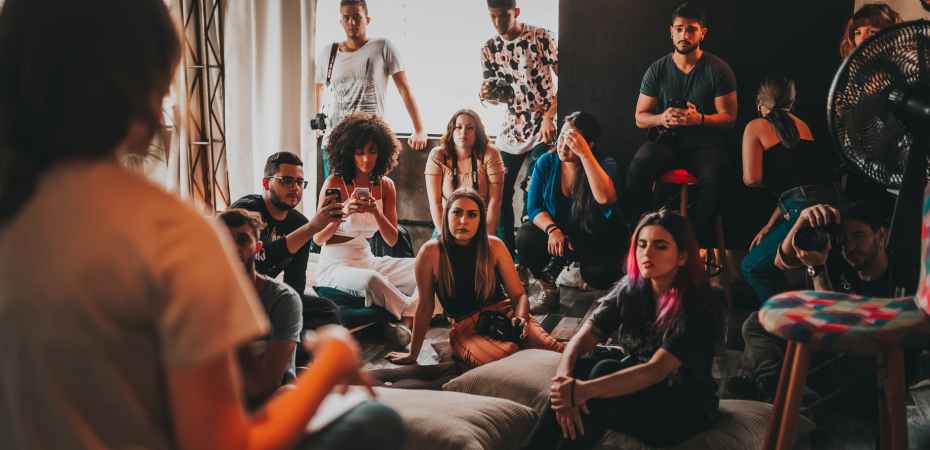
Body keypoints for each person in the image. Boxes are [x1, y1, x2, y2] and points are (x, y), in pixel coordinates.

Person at [0, 1, 405, 450]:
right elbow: (229, 443)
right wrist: (333, 360)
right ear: (146, 90)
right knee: (376, 420)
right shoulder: (171, 232)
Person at [523, 210, 723, 449]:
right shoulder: (632, 288)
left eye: (660, 246)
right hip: (641, 383)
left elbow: (656, 370)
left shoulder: (700, 302)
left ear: (681, 256)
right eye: (641, 244)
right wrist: (564, 383)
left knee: (601, 374)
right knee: (584, 365)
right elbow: (581, 339)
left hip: (683, 403)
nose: (646, 253)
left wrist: (583, 391)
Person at [731, 201, 893, 402]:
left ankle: (770, 389)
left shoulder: (897, 279)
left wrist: (817, 270)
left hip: (851, 357)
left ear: (881, 235)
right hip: (821, 339)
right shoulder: (842, 258)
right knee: (757, 323)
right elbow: (781, 261)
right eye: (844, 239)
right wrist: (801, 221)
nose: (850, 247)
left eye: (858, 236)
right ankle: (767, 384)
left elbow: (837, 329)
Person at [386, 189, 564, 368]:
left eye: (472, 215)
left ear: (480, 220)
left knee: (553, 349)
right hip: (466, 329)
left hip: (504, 314)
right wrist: (413, 353)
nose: (463, 221)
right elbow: (425, 307)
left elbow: (519, 296)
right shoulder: (430, 252)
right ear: (446, 215)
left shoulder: (494, 246)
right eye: (457, 212)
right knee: (508, 356)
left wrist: (521, 319)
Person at [624, 2, 737, 245]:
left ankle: (691, 247)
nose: (684, 35)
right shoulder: (657, 69)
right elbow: (640, 117)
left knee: (715, 177)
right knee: (639, 166)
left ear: (702, 33)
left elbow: (729, 118)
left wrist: (701, 119)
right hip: (667, 141)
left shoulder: (718, 69)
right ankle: (642, 238)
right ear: (671, 31)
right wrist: (662, 118)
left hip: (705, 144)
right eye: (679, 29)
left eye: (691, 30)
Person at [313, 112, 417, 346]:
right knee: (372, 280)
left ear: (382, 152)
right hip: (335, 264)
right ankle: (412, 313)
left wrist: (376, 213)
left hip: (366, 257)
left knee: (424, 266)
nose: (366, 159)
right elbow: (318, 239)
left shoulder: (386, 186)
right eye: (359, 152)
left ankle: (402, 316)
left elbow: (391, 240)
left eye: (372, 151)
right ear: (348, 152)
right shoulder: (335, 183)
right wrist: (343, 214)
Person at [739, 76, 838, 306]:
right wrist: (770, 225)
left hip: (801, 211)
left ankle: (783, 322)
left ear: (759, 104)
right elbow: (801, 188)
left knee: (752, 268)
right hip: (827, 204)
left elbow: (752, 179)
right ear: (791, 103)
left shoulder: (755, 126)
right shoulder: (803, 126)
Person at [517, 111, 625, 313]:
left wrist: (585, 155)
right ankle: (549, 283)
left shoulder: (605, 163)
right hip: (557, 235)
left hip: (590, 236)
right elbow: (534, 207)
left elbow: (605, 199)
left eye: (572, 139)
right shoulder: (546, 162)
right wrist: (552, 230)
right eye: (562, 136)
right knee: (526, 236)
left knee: (602, 275)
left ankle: (577, 272)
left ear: (589, 144)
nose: (563, 144)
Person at [230, 152, 343, 334]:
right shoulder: (246, 211)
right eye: (287, 181)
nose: (295, 188)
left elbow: (295, 282)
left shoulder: (299, 224)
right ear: (266, 183)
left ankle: (291, 340)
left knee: (328, 310)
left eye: (299, 182)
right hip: (236, 296)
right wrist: (312, 228)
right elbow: (260, 260)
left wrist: (291, 308)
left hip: (269, 298)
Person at [314, 0, 428, 177]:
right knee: (339, 199)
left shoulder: (383, 47)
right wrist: (316, 126)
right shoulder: (329, 53)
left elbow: (404, 89)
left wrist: (419, 129)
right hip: (336, 141)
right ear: (341, 22)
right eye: (347, 17)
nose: (352, 22)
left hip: (370, 142)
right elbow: (318, 88)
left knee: (372, 198)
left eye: (357, 17)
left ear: (367, 19)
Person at [481, 0, 559, 255]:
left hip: (543, 122)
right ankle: (506, 255)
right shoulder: (489, 48)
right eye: (492, 17)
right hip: (512, 127)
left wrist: (550, 115)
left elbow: (568, 79)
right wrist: (487, 94)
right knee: (499, 188)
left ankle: (531, 255)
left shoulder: (541, 36)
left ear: (516, 12)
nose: (497, 23)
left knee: (532, 186)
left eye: (503, 16)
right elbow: (497, 97)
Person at [219, 209, 303, 406]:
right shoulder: (203, 295)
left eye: (242, 240)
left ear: (257, 248)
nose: (232, 247)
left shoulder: (283, 299)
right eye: (223, 239)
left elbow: (267, 384)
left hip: (269, 400)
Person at [424, 109, 505, 237]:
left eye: (470, 128)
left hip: (481, 223)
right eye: (458, 127)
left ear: (477, 132)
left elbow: (495, 200)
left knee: (496, 252)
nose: (463, 132)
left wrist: (487, 238)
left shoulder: (490, 154)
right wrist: (445, 236)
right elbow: (435, 203)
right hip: (448, 223)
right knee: (435, 252)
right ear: (451, 130)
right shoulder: (438, 155)